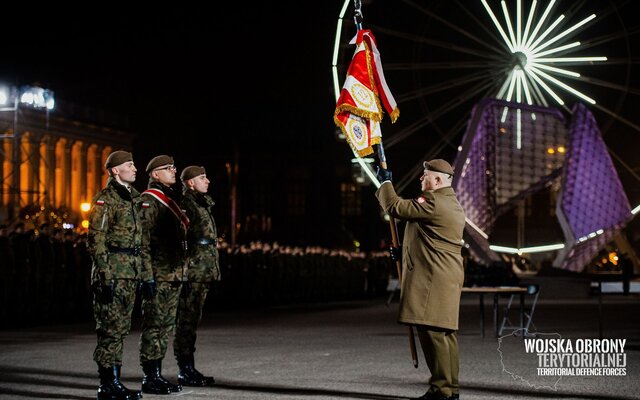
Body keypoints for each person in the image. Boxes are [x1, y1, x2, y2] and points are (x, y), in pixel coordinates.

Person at [375, 159, 465, 400]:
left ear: (437, 180)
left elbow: (395, 207)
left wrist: (385, 182)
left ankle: (441, 391)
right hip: (444, 274)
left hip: (433, 278)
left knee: (433, 333)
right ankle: (451, 389)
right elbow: (428, 236)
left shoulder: (433, 201)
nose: (420, 179)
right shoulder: (451, 203)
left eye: (425, 175)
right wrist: (404, 250)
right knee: (446, 334)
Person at [87, 150, 153, 400]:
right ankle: (107, 384)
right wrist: (104, 274)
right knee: (110, 329)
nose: (135, 168)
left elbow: (141, 243)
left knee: (122, 328)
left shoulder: (133, 198)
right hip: (114, 272)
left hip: (130, 273)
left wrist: (146, 275)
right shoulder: (107, 199)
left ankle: (114, 380)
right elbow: (96, 239)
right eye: (129, 164)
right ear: (116, 170)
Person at [138, 155, 188, 395]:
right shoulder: (150, 201)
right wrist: (147, 276)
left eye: (174, 167)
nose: (174, 171)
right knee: (154, 326)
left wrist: (182, 274)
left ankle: (157, 373)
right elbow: (143, 242)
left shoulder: (169, 199)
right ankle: (150, 376)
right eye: (168, 168)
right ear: (155, 174)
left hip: (172, 274)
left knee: (165, 326)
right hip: (158, 274)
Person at [174, 166, 220, 386]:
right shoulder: (186, 204)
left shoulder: (201, 203)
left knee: (193, 319)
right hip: (191, 270)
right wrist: (182, 271)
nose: (207, 180)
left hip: (202, 269)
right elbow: (179, 240)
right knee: (186, 320)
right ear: (190, 183)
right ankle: (185, 368)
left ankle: (189, 366)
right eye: (202, 177)